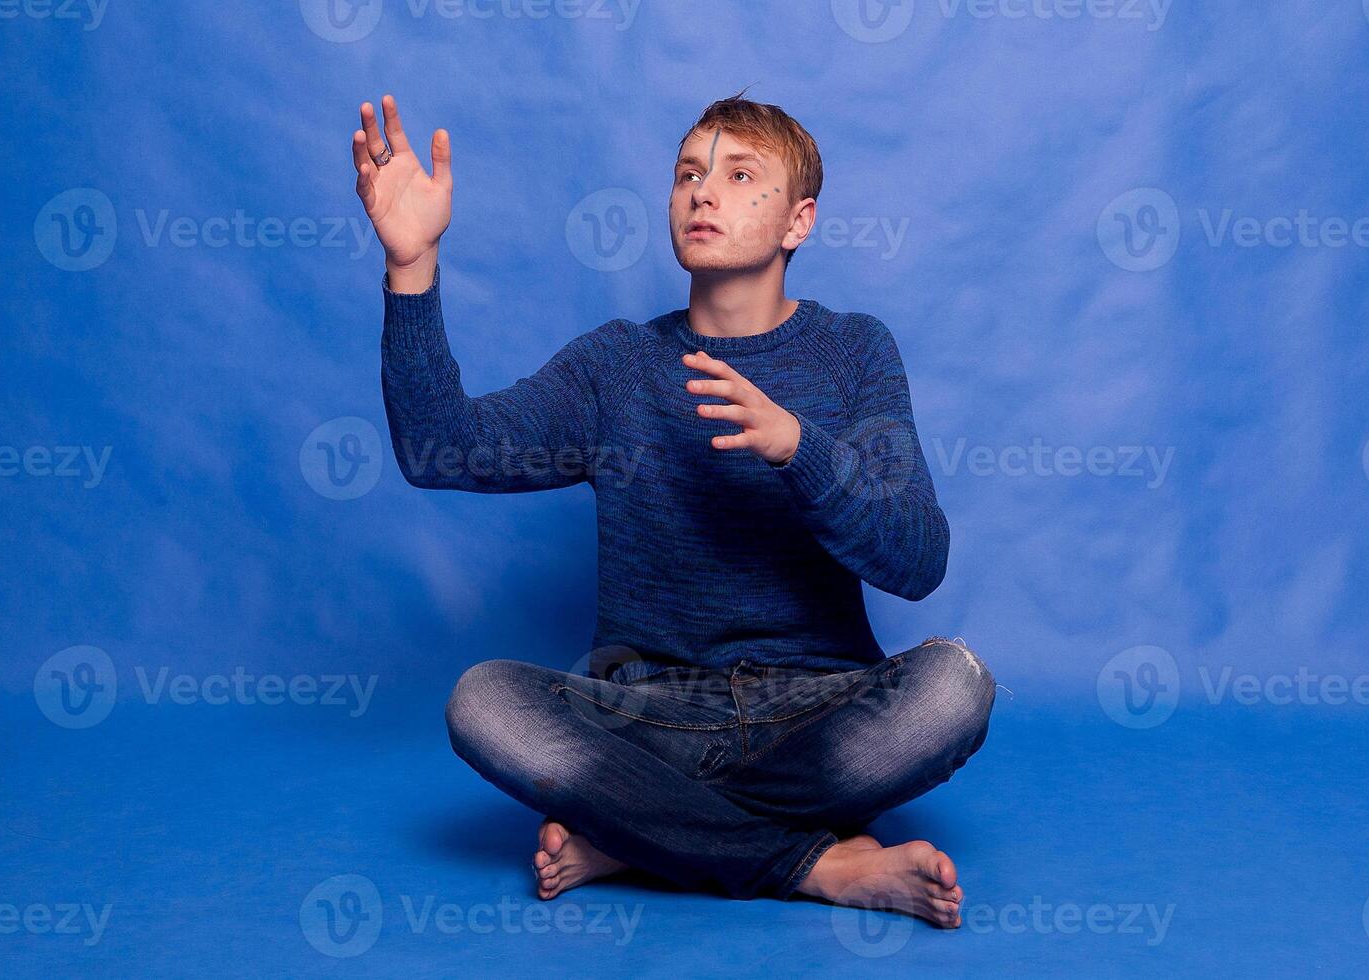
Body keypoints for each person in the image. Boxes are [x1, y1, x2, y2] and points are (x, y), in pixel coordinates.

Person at [352, 88, 996, 929]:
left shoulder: (853, 350)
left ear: (797, 222)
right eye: (689, 173)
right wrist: (412, 268)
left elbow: (919, 560)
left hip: (813, 712)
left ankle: (641, 833)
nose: (703, 192)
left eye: (738, 175)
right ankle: (815, 864)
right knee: (482, 700)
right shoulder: (615, 366)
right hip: (646, 716)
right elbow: (440, 450)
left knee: (955, 685)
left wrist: (800, 448)